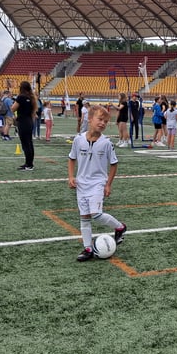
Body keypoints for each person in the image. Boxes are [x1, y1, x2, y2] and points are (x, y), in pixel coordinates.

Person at [68, 105, 127, 262]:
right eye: (100, 119)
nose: (103, 123)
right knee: (84, 217)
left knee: (96, 214)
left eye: (106, 121)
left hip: (97, 184)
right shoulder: (78, 140)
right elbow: (72, 158)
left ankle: (120, 227)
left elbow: (114, 164)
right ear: (90, 119)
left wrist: (108, 184)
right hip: (81, 184)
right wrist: (71, 177)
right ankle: (88, 249)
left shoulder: (106, 143)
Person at [11, 81, 37, 171]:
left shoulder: (21, 97)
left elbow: (13, 108)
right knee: (29, 143)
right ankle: (30, 163)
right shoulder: (31, 97)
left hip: (22, 121)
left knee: (25, 144)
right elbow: (33, 112)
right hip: (29, 121)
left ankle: (28, 164)